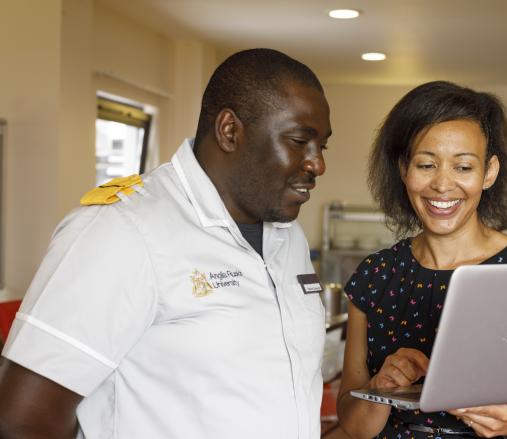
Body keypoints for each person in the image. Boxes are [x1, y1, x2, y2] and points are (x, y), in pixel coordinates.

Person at [0, 48, 332, 439]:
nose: (317, 164)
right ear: (230, 131)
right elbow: (22, 420)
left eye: (321, 146)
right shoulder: (124, 231)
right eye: (299, 141)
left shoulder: (286, 233)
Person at [337, 81, 507, 439]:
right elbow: (353, 425)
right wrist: (382, 387)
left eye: (463, 167)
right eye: (426, 164)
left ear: (489, 172)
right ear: (403, 169)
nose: (442, 185)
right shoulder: (374, 276)